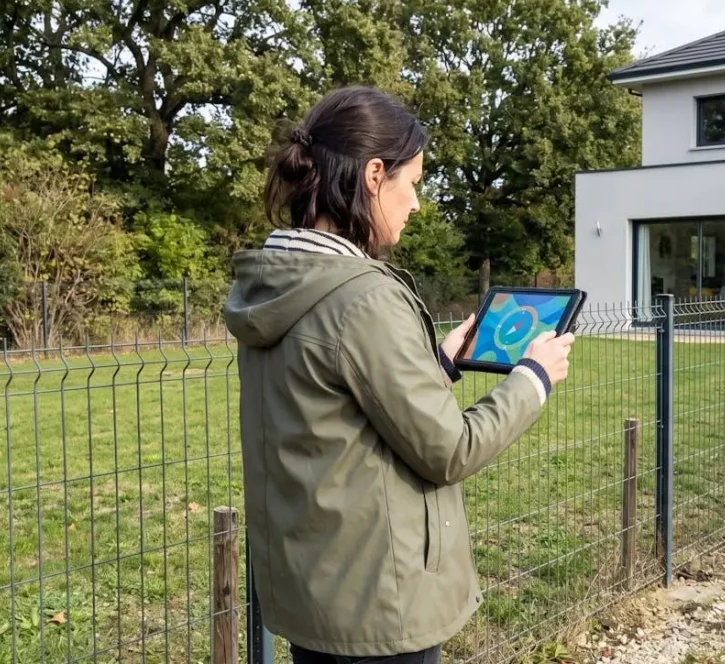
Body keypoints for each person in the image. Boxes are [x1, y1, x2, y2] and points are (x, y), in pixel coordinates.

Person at [223, 85, 575, 664]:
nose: (416, 204)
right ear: (374, 175)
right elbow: (450, 451)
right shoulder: (363, 299)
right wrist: (533, 376)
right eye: (412, 185)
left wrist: (436, 363)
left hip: (314, 594)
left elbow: (334, 411)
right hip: (380, 609)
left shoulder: (277, 283)